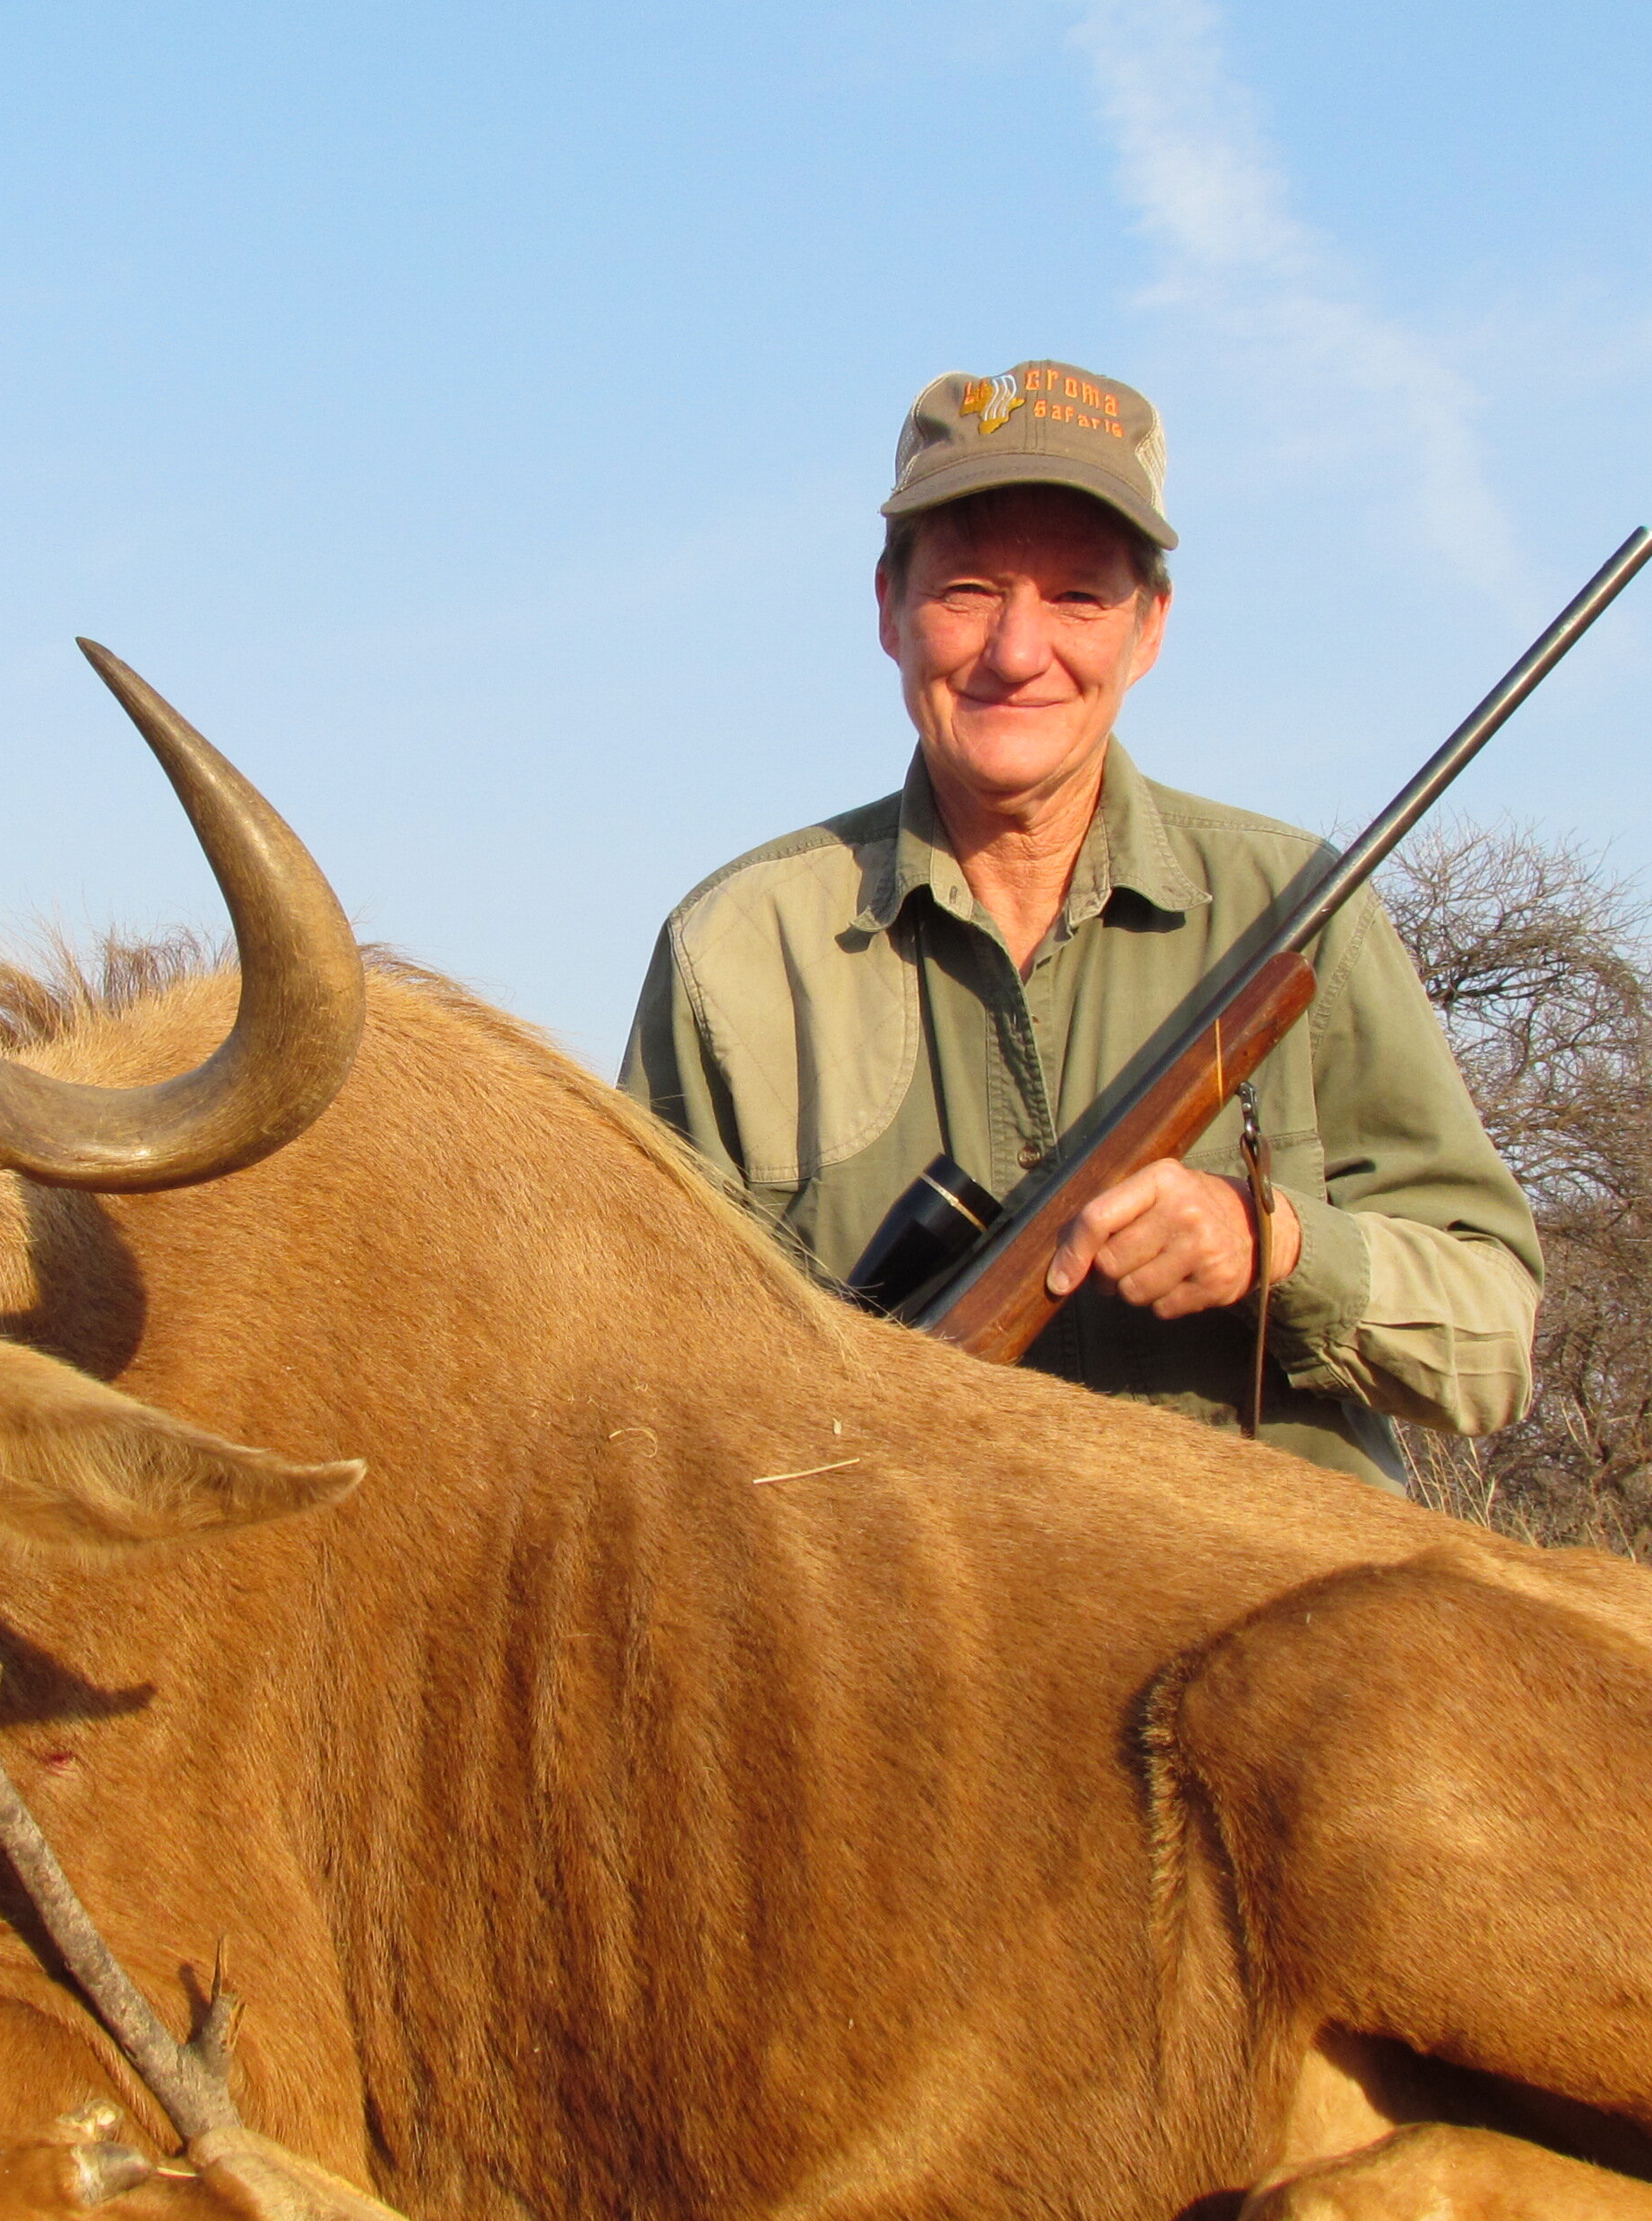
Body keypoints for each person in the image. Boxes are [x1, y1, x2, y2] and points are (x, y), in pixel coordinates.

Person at [619, 359, 1540, 1489]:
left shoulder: (1303, 908)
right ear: (888, 612)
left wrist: (1278, 1247)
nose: (1015, 652)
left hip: (1282, 1621)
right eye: (964, 590)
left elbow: (1493, 1345)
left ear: (1149, 629)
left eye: (1078, 597)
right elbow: (641, 1383)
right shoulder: (739, 942)